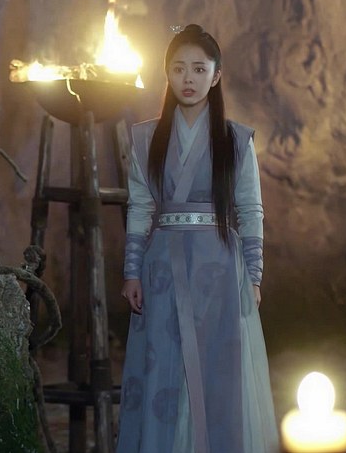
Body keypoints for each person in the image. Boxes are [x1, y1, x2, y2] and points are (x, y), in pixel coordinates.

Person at [116, 25, 279, 452]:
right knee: (163, 368)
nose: (188, 78)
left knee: (217, 371)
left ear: (216, 75)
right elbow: (140, 207)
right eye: (178, 69)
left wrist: (254, 276)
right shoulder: (145, 138)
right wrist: (132, 271)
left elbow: (250, 210)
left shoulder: (235, 140)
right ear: (167, 74)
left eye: (199, 69)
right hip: (162, 269)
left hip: (218, 269)